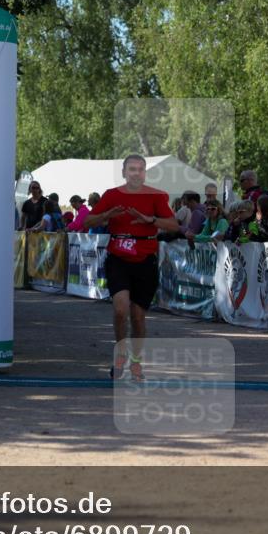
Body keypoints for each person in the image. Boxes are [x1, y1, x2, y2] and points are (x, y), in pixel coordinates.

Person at [82, 155, 180, 380]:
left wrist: (150, 220)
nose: (136, 173)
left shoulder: (155, 196)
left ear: (145, 173)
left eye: (140, 169)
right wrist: (106, 215)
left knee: (137, 316)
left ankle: (136, 361)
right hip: (118, 259)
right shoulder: (112, 195)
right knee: (120, 309)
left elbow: (174, 225)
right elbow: (87, 223)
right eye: (132, 169)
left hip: (145, 260)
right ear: (124, 172)